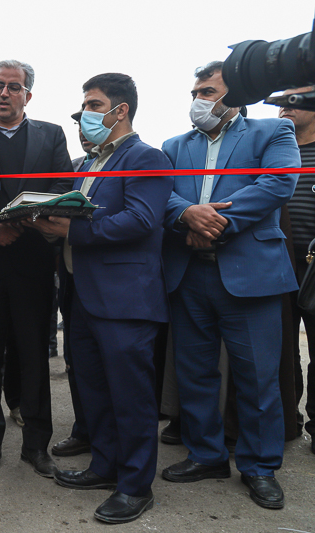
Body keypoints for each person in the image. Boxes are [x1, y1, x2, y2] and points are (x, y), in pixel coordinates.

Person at [28, 73, 173, 524]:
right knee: (94, 388)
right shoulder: (89, 164)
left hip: (125, 299)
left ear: (120, 110)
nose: (85, 114)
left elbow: (142, 220)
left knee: (130, 396)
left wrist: (73, 230)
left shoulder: (146, 158)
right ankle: (105, 466)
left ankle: (135, 486)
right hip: (82, 294)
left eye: (93, 105)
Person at [160, 61, 299, 510]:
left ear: (235, 95)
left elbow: (278, 184)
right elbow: (161, 193)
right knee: (195, 373)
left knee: (257, 378)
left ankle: (260, 467)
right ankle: (206, 455)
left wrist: (215, 223)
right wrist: (186, 214)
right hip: (189, 273)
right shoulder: (174, 146)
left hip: (250, 275)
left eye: (208, 92)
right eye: (195, 93)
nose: (198, 100)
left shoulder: (272, 133)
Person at [0, 59, 73, 478]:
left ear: (28, 94)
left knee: (34, 357)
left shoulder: (51, 134)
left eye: (14, 87)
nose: (5, 93)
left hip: (33, 262)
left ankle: (36, 445)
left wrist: (22, 220)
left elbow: (63, 185)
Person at [51, 111, 95, 459]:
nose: (83, 130)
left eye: (92, 116)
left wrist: (70, 229)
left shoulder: (137, 161)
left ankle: (109, 442)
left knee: (108, 368)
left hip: (108, 283)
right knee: (77, 362)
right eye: (79, 124)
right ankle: (84, 430)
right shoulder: (75, 169)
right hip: (71, 280)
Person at [280, 86, 315, 455]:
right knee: (282, 350)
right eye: (279, 102)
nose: (283, 108)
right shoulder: (274, 151)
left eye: (293, 101)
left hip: (314, 268)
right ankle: (287, 418)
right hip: (278, 264)